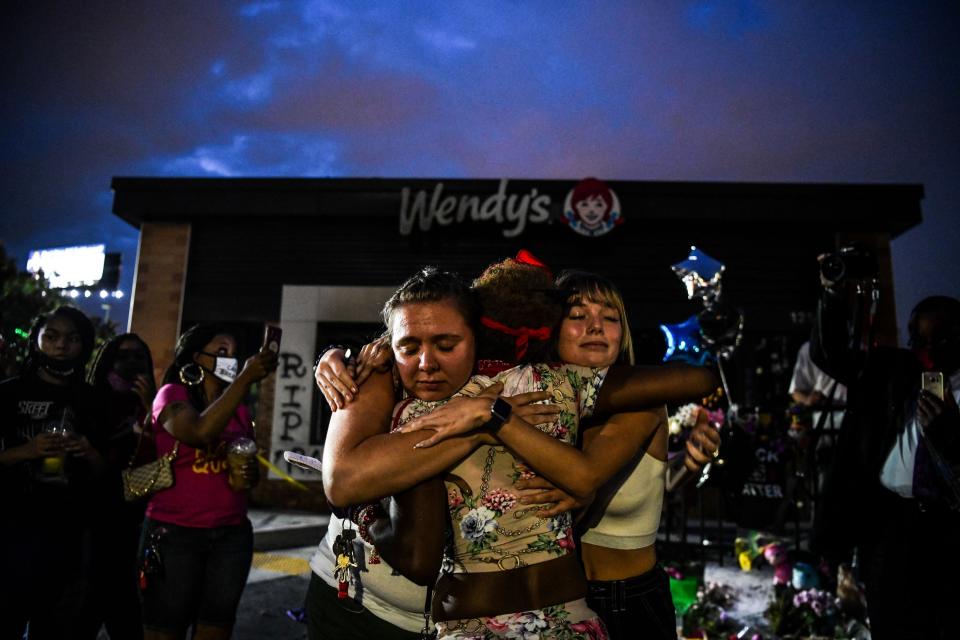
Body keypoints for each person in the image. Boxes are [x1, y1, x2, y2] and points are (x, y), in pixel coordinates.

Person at [315, 261, 718, 638]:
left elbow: (586, 476)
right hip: (568, 611)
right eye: (578, 317)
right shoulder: (562, 387)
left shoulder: (428, 411)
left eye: (609, 318)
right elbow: (699, 379)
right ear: (551, 326)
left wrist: (493, 416)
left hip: (482, 617)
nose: (427, 363)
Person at [553, 270, 720, 640]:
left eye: (610, 318)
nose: (595, 327)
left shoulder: (641, 401)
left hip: (626, 598)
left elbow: (583, 486)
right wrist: (684, 467)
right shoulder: (542, 402)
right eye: (578, 316)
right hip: (559, 596)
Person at [812, 285, 960, 639]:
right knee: (888, 621)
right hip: (888, 524)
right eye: (916, 339)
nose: (924, 351)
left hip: (946, 533)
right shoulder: (891, 370)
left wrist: (951, 436)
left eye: (936, 340)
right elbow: (830, 354)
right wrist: (834, 293)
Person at [140, 324, 277, 640]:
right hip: (175, 534)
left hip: (231, 537)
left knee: (215, 628)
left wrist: (248, 475)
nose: (231, 358)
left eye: (233, 352)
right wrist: (245, 378)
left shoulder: (240, 410)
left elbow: (242, 473)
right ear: (194, 357)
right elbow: (199, 432)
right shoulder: (171, 396)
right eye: (221, 351)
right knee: (164, 629)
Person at [0, 306, 105, 639]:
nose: (61, 346)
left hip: (69, 534)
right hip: (10, 530)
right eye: (52, 336)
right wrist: (26, 452)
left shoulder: (93, 400)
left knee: (56, 628)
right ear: (37, 340)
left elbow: (110, 474)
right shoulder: (7, 393)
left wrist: (88, 452)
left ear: (84, 345)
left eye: (72, 339)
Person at [82, 333, 157, 639]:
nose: (131, 363)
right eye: (122, 356)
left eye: (139, 356)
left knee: (126, 611)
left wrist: (153, 407)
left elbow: (163, 461)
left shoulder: (154, 402)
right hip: (91, 520)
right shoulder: (90, 400)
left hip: (134, 522)